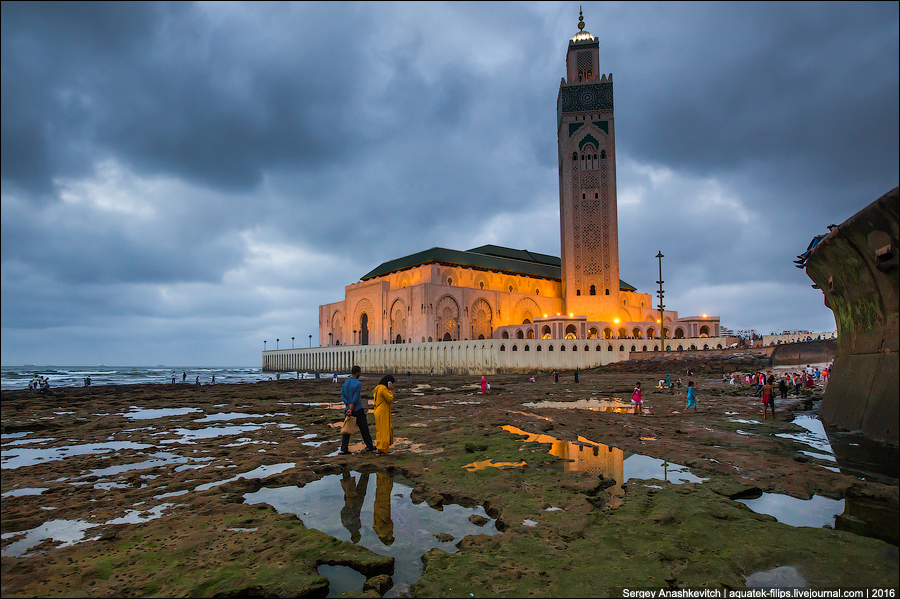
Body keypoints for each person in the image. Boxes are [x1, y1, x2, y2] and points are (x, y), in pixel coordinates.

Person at [339, 365, 375, 455]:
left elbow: (343, 396)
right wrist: (352, 408)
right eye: (360, 372)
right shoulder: (358, 384)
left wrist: (348, 405)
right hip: (357, 409)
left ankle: (344, 449)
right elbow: (355, 398)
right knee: (364, 428)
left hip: (347, 409)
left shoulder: (345, 383)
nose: (360, 373)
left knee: (346, 429)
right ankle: (369, 446)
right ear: (357, 372)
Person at [373, 375, 395, 456]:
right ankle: (384, 450)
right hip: (383, 412)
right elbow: (390, 399)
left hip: (378, 411)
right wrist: (391, 391)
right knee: (384, 431)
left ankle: (379, 449)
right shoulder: (383, 388)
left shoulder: (377, 387)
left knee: (379, 431)